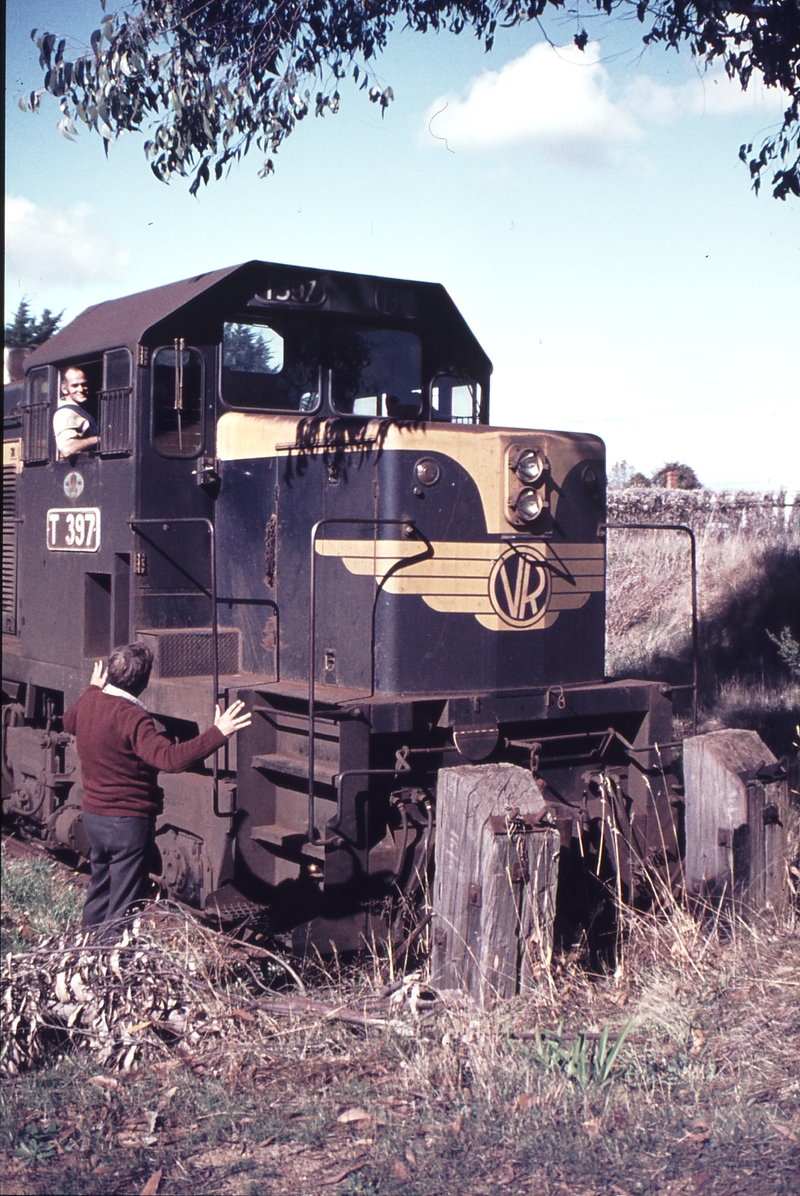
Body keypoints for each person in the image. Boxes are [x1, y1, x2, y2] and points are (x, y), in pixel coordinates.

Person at [62, 643, 251, 930]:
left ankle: (86, 952)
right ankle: (112, 962)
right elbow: (170, 759)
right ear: (144, 682)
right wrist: (218, 733)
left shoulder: (89, 702)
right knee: (123, 902)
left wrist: (91, 689)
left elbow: (69, 720)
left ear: (110, 673)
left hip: (94, 819)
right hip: (127, 824)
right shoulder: (133, 717)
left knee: (99, 889)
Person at [53, 367, 100, 458]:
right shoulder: (65, 413)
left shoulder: (81, 409)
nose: (81, 389)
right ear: (64, 389)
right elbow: (67, 449)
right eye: (75, 385)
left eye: (84, 384)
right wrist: (98, 439)